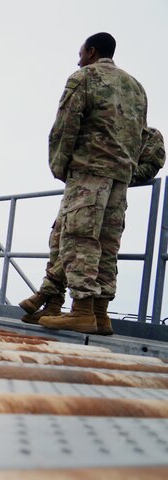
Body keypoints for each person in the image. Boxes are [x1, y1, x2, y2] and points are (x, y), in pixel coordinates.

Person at [30, 33, 147, 334]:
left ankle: (81, 310)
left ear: (92, 51)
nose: (78, 58)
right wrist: (126, 171)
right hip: (120, 179)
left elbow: (66, 125)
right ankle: (100, 315)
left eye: (80, 52)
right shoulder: (136, 87)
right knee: (107, 245)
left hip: (89, 172)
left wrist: (61, 167)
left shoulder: (84, 77)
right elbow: (139, 135)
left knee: (79, 238)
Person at [19, 127, 165, 334]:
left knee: (87, 248)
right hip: (81, 190)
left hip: (105, 196)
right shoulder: (101, 125)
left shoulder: (146, 134)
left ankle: (91, 311)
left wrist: (115, 174)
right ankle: (51, 305)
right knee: (61, 243)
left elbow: (151, 165)